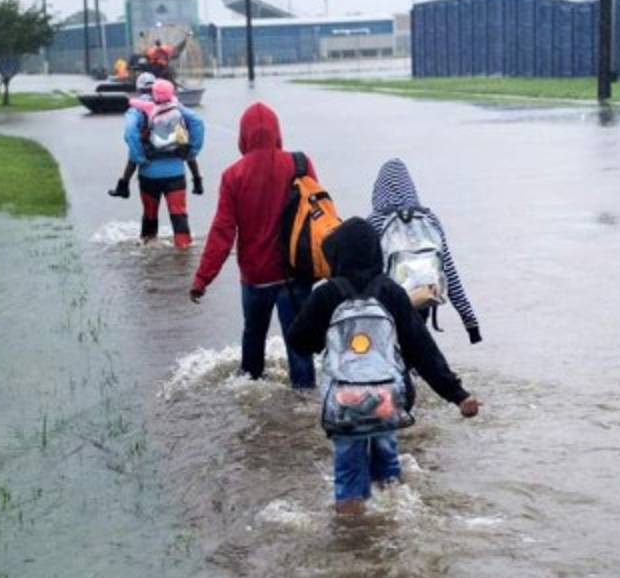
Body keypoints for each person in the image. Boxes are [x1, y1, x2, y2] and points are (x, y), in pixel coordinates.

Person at [286, 218, 480, 513]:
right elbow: (422, 349)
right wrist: (458, 395)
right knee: (388, 475)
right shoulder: (391, 292)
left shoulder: (326, 294)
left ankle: (351, 533)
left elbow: (298, 341)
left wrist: (328, 342)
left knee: (348, 476)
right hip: (387, 397)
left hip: (344, 401)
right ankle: (391, 524)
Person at [190, 102, 318, 389]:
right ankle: (305, 407)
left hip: (256, 277)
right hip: (296, 274)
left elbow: (222, 232)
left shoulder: (233, 175)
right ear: (277, 132)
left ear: (243, 136)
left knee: (253, 342)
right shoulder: (300, 164)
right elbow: (317, 216)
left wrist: (202, 278)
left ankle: (249, 400)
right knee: (299, 346)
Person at [365, 158, 481, 344]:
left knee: (393, 350)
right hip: (423, 297)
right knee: (417, 347)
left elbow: (367, 273)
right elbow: (448, 269)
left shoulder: (374, 221)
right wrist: (469, 321)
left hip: (389, 303)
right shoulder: (429, 218)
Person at [112, 77, 204, 248]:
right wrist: (193, 152)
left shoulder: (139, 109)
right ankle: (184, 253)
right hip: (176, 174)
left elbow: (130, 133)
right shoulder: (177, 107)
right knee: (179, 215)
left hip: (148, 175)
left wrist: (140, 157)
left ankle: (148, 253)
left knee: (150, 215)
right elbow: (197, 123)